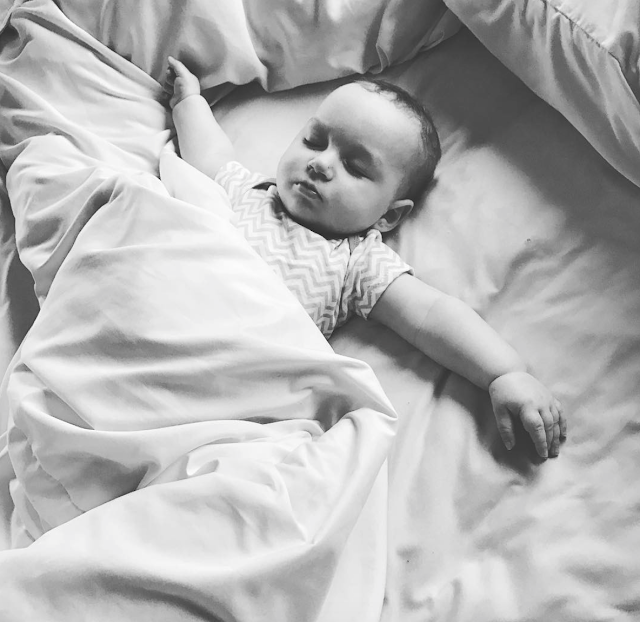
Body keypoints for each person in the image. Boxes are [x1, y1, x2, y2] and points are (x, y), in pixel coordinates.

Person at [164, 57, 566, 460]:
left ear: (389, 216)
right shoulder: (249, 190)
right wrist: (189, 103)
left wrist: (504, 372)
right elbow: (210, 155)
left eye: (354, 167)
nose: (321, 163)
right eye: (314, 140)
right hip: (172, 301)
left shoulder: (357, 261)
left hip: (225, 364)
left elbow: (432, 315)